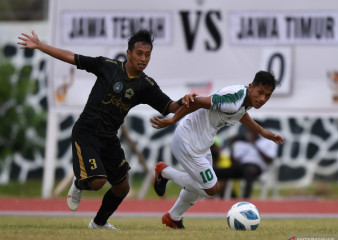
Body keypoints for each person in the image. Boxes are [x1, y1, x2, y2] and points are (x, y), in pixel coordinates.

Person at [18, 30, 196, 230]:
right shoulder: (107, 66)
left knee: (122, 187)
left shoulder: (146, 85)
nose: (143, 58)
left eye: (147, 55)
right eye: (139, 53)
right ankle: (79, 184)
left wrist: (184, 100)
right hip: (86, 132)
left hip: (109, 138)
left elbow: (170, 106)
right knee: (97, 182)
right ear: (128, 53)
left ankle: (98, 223)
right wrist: (41, 45)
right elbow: (71, 57)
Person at [150, 71, 284, 229]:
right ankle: (164, 172)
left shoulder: (244, 98)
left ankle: (174, 217)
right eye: (260, 92)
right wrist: (172, 119)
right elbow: (196, 101)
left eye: (267, 96)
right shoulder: (234, 100)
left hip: (201, 143)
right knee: (211, 189)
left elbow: (240, 114)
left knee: (200, 183)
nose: (262, 99)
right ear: (251, 87)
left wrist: (263, 132)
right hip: (188, 141)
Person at [214, 124, 279, 199]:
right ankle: (212, 196)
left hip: (257, 167)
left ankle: (246, 198)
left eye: (253, 131)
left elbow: (269, 160)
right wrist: (232, 145)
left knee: (249, 170)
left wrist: (255, 144)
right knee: (216, 171)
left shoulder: (267, 142)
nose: (250, 133)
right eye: (249, 131)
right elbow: (234, 162)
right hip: (242, 166)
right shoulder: (243, 143)